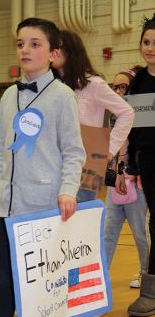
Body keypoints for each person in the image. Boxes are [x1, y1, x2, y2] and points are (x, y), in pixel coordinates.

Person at [0, 17, 86, 317]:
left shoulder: (62, 96)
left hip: (45, 203)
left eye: (35, 44)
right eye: (21, 43)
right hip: (10, 204)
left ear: (53, 54)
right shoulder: (9, 95)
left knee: (46, 275)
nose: (25, 49)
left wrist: (68, 190)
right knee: (1, 277)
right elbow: (0, 148)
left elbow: (73, 152)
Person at [51, 30, 134, 202]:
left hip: (86, 165)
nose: (52, 52)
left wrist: (109, 150)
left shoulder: (93, 84)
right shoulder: (50, 86)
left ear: (71, 50)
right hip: (54, 164)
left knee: (80, 223)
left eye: (57, 47)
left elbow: (126, 112)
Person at [117, 13, 155, 317]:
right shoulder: (138, 79)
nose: (150, 48)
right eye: (146, 42)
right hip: (146, 160)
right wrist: (130, 166)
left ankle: (150, 290)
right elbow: (133, 127)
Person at [104, 68, 149, 289]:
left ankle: (145, 273)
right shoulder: (112, 117)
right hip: (114, 182)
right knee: (108, 231)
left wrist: (134, 169)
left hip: (136, 182)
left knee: (140, 233)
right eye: (115, 87)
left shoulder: (141, 116)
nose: (118, 91)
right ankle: (101, 276)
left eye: (123, 86)